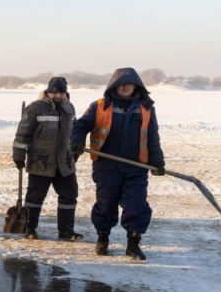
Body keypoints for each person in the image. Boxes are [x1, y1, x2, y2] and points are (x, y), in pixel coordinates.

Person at [70, 67, 165, 261]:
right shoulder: (100, 106)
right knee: (105, 206)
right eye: (121, 84)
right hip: (106, 167)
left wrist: (157, 161)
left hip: (136, 167)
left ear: (136, 85)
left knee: (136, 206)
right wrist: (77, 141)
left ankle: (133, 245)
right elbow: (80, 126)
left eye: (129, 84)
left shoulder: (146, 108)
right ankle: (102, 239)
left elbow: (152, 137)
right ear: (114, 86)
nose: (125, 87)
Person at [12, 76, 83, 241]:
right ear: (48, 92)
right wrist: (19, 155)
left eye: (61, 93)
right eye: (54, 92)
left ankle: (66, 231)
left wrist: (76, 151)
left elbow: (74, 132)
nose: (58, 96)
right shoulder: (35, 108)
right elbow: (23, 134)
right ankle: (29, 229)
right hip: (41, 161)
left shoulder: (69, 108)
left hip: (64, 162)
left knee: (69, 195)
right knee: (35, 197)